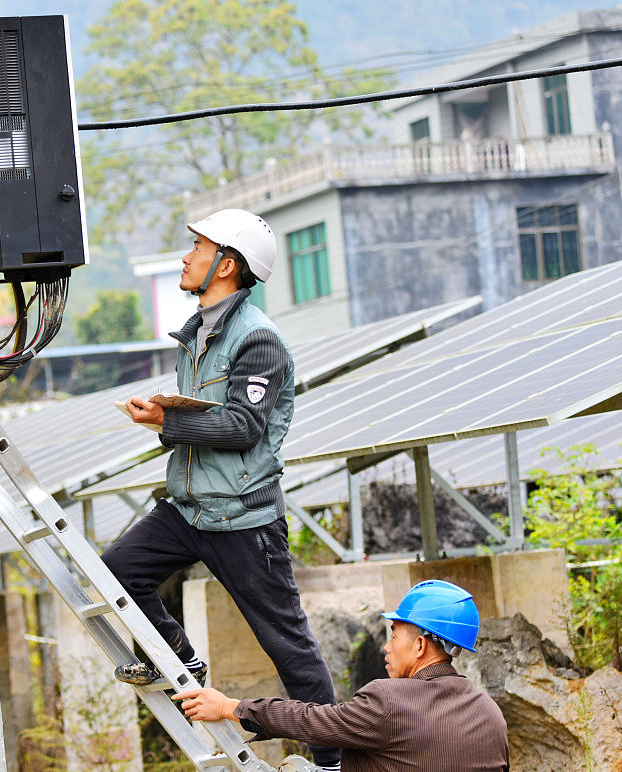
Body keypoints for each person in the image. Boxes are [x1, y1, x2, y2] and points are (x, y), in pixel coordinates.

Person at [101, 209, 343, 772]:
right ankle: (179, 660)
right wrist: (167, 414)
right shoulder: (196, 336)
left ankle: (332, 761)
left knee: (287, 645)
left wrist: (165, 421)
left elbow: (243, 427)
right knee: (117, 571)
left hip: (244, 518)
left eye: (198, 248)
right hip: (189, 508)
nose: (187, 257)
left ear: (227, 265)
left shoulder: (258, 339)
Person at [172, 580, 510, 772]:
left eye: (394, 635)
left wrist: (231, 707)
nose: (386, 647)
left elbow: (310, 720)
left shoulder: (390, 701)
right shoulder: (490, 712)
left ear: (420, 645)